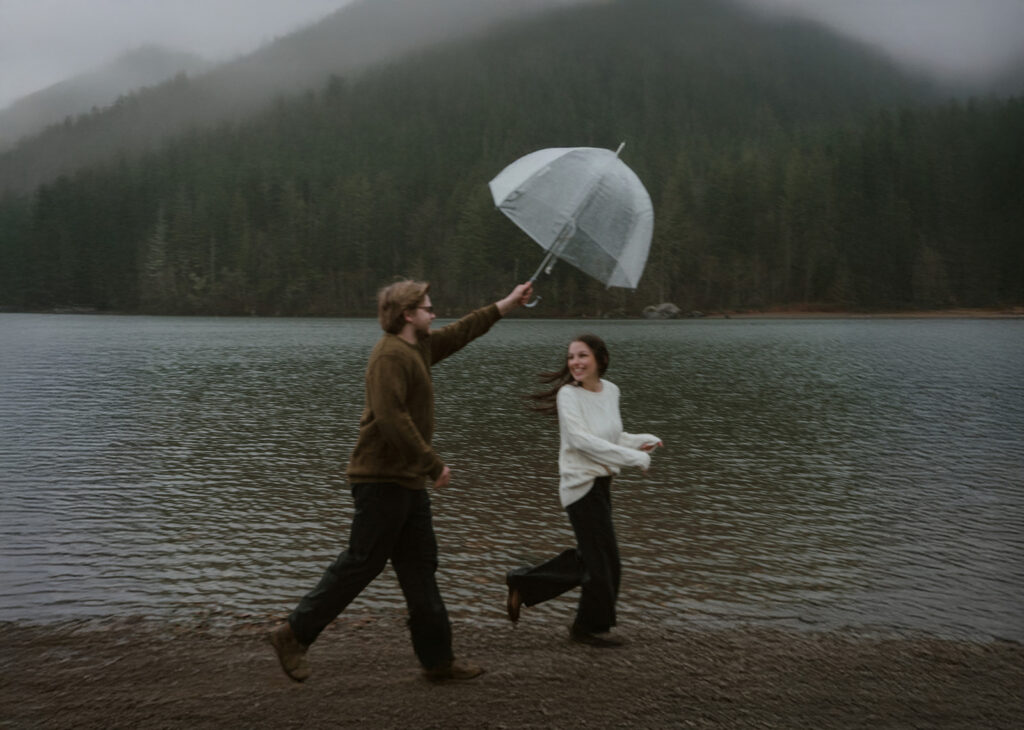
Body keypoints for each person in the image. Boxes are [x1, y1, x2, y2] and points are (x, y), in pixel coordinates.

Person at [269, 278, 533, 682]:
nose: (434, 312)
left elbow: (464, 329)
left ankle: (438, 661)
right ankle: (293, 633)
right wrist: (432, 464)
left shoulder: (419, 347)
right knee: (362, 563)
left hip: (406, 482)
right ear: (408, 314)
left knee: (420, 568)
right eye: (428, 307)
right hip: (380, 479)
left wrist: (509, 303)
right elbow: (392, 419)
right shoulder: (389, 356)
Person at [505, 334, 661, 647]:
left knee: (593, 559)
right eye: (571, 357)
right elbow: (581, 441)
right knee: (606, 562)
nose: (575, 362)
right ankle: (586, 628)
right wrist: (634, 458)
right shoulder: (568, 395)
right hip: (579, 486)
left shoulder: (611, 390)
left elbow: (609, 435)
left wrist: (639, 441)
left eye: (582, 355)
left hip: (602, 484)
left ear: (599, 359)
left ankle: (524, 584)